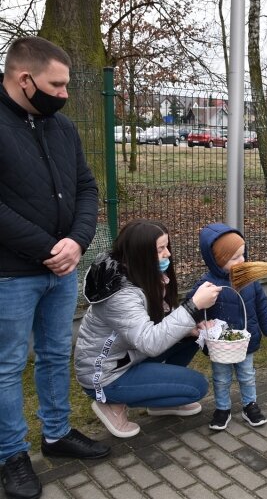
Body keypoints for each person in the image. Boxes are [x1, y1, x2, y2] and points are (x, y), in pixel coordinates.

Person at [0, 36, 109, 499]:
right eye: (57, 85)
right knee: (6, 367)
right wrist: (48, 246)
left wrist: (77, 241)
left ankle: (57, 434)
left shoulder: (61, 128)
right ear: (25, 80)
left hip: (62, 269)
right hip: (10, 273)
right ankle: (11, 454)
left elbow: (86, 187)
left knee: (53, 354)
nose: (65, 95)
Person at [74, 220, 222, 439]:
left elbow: (157, 321)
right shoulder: (121, 295)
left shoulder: (140, 272)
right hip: (106, 376)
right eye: (160, 249)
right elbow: (150, 343)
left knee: (189, 336)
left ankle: (160, 401)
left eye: (167, 247)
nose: (167, 254)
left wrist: (190, 328)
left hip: (126, 356)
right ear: (140, 252)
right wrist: (193, 308)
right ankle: (112, 404)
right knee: (197, 387)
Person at [188, 223, 267, 430]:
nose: (242, 260)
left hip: (245, 341)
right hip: (220, 344)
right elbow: (192, 306)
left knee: (247, 375)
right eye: (234, 258)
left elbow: (262, 306)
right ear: (217, 261)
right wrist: (199, 321)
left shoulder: (250, 280)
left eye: (243, 254)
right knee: (221, 378)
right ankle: (223, 408)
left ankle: (250, 405)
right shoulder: (206, 284)